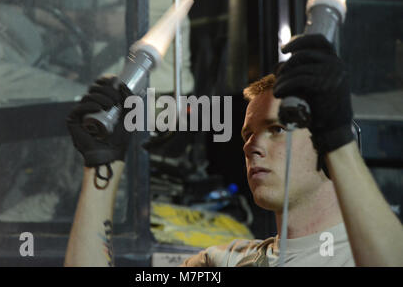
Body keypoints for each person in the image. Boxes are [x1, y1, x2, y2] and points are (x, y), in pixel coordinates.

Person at [64, 34, 403, 267]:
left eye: (277, 129)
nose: (252, 145)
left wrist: (339, 143)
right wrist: (101, 170)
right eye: (247, 134)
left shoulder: (367, 252)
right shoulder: (223, 261)